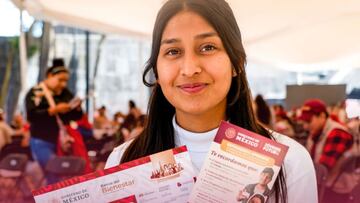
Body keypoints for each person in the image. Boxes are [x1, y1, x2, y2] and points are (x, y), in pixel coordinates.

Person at [105, 1, 317, 202]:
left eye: (207, 47)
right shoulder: (122, 163)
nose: (189, 69)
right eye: (173, 51)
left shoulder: (291, 163)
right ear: (157, 72)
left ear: (237, 63)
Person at [25, 58, 83, 183]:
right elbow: (31, 116)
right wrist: (53, 110)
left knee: (65, 174)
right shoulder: (35, 92)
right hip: (41, 140)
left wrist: (77, 108)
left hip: (63, 141)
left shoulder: (65, 93)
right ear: (50, 76)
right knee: (54, 172)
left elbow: (75, 117)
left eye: (66, 81)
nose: (63, 84)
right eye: (60, 80)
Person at [298, 99, 353, 171]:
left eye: (308, 121)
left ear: (322, 116)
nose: (305, 126)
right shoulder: (316, 132)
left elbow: (323, 170)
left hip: (334, 182)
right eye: (304, 122)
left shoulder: (337, 133)